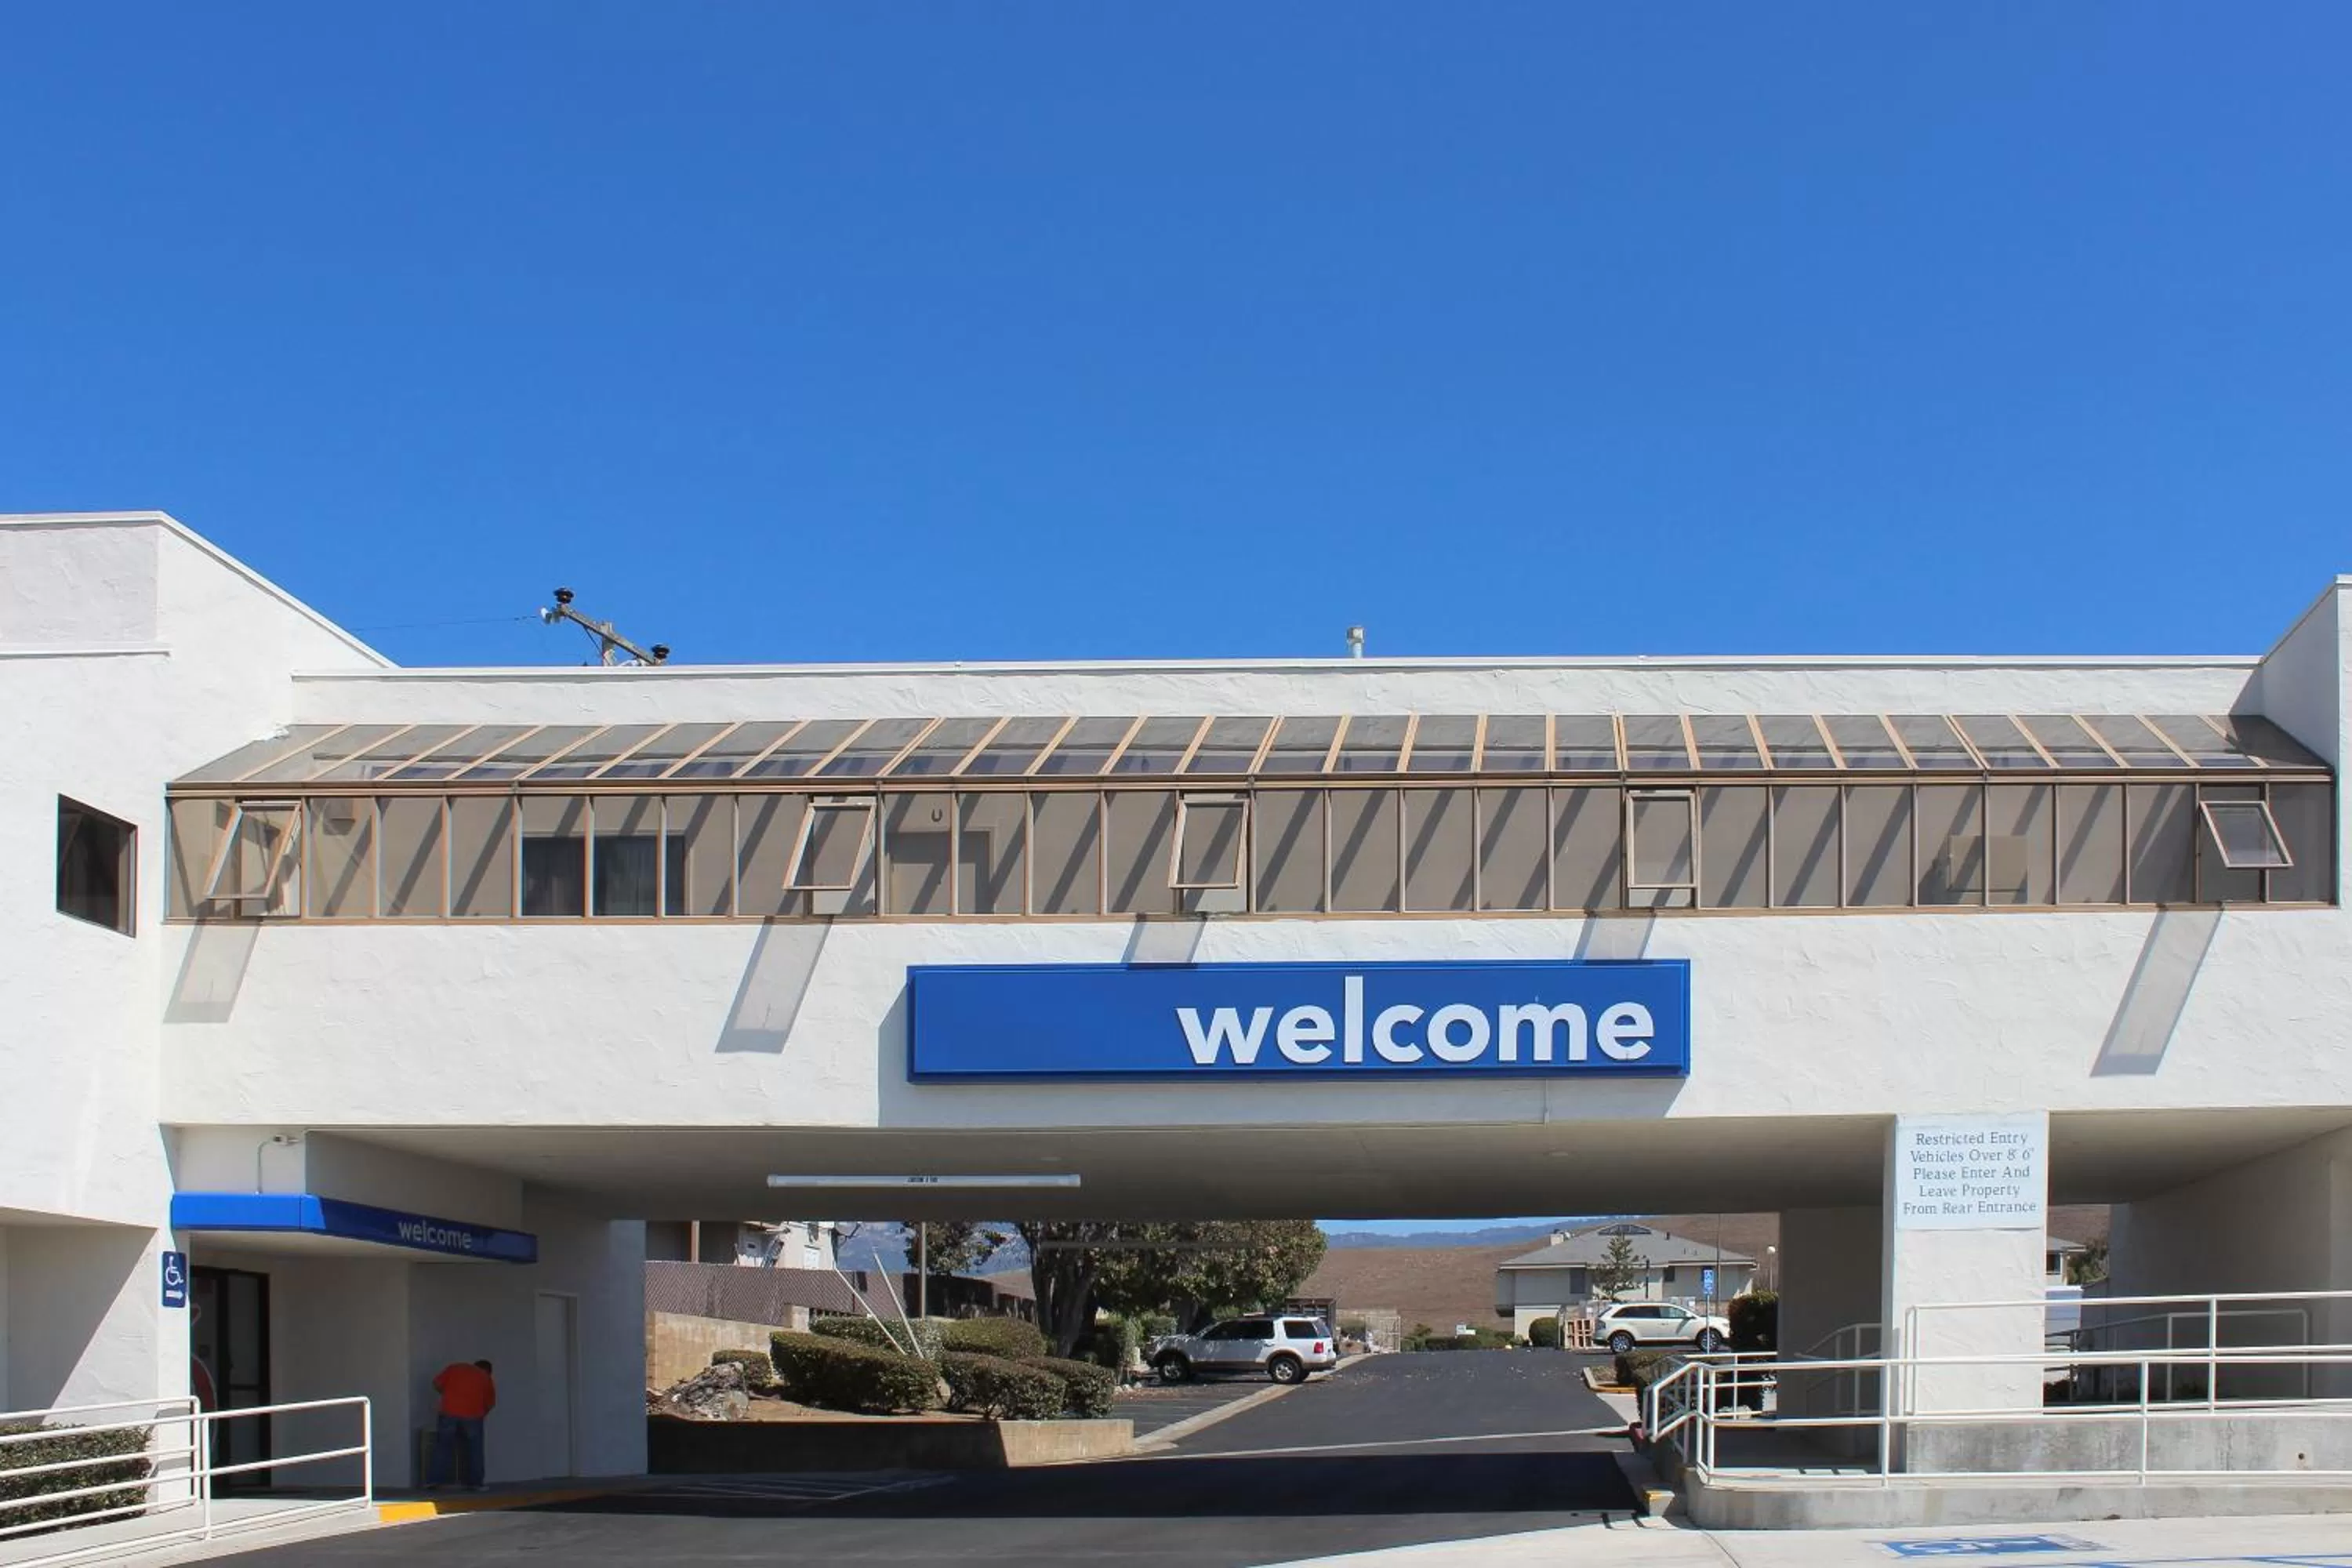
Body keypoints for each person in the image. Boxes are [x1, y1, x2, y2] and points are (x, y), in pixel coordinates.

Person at [429, 1359, 495, 1491]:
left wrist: (450, 1395)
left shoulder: (455, 1368)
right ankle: (475, 1484)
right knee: (474, 1449)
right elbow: (490, 1404)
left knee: (443, 1446)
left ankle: (435, 1481)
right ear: (487, 1370)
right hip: (473, 1415)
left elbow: (437, 1384)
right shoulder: (485, 1377)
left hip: (448, 1412)